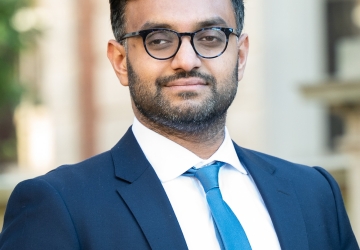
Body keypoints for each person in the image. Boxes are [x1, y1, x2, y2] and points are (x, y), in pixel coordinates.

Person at [0, 0, 358, 249]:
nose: (186, 61)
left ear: (241, 55)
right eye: (159, 40)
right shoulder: (58, 206)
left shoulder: (314, 193)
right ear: (121, 61)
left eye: (210, 37)